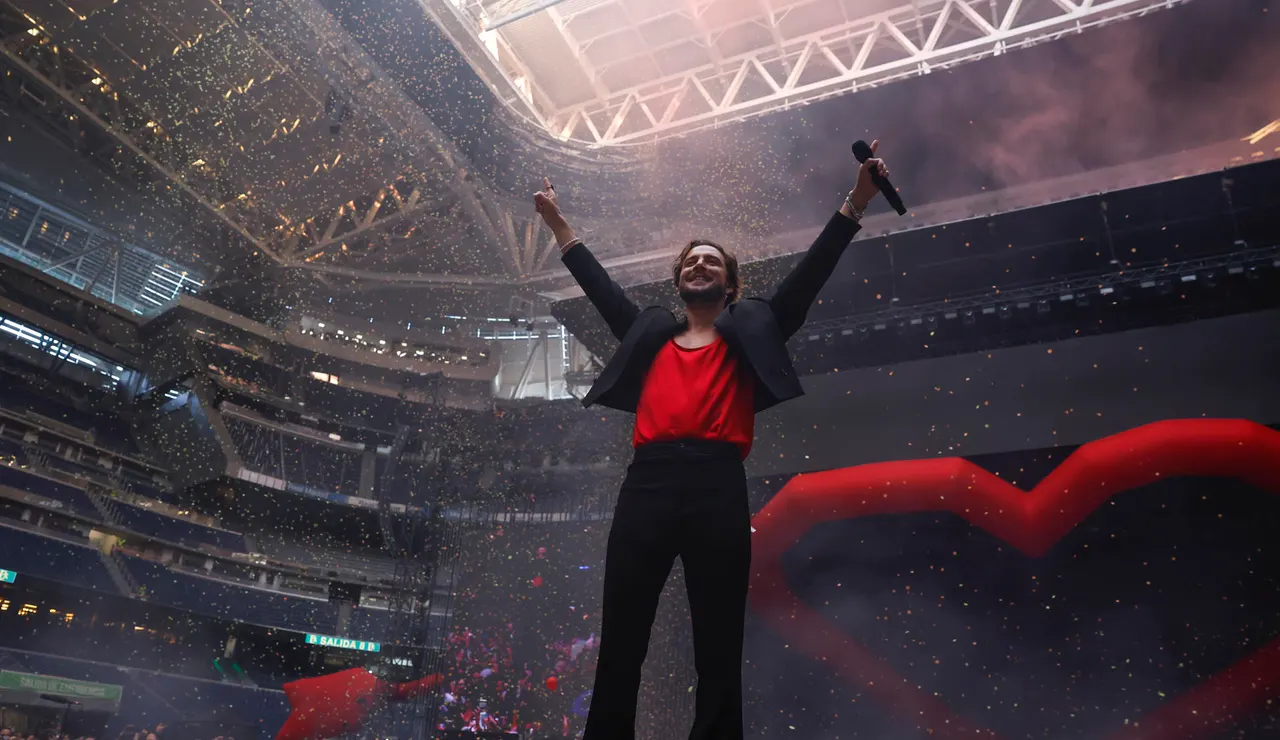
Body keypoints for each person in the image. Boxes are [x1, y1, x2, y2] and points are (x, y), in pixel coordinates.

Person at [533, 141, 892, 740]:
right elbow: (601, 291)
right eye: (691, 262)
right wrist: (558, 224)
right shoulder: (648, 332)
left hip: (717, 483)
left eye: (712, 262)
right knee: (622, 636)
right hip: (646, 484)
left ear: (729, 285)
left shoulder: (755, 325)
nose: (700, 265)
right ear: (678, 281)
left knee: (718, 641)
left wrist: (857, 199)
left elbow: (811, 273)